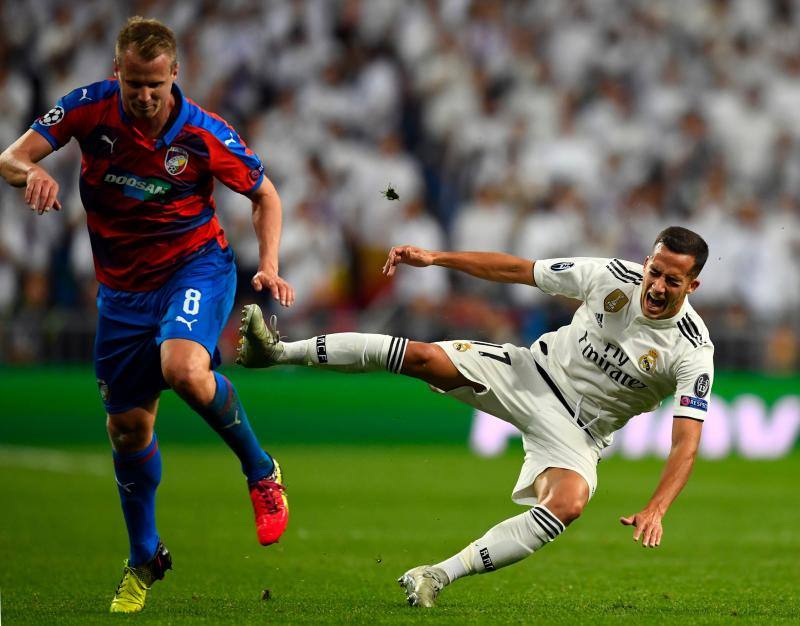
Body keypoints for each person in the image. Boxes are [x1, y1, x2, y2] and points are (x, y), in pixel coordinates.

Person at [236, 226, 713, 608]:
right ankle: (276, 352)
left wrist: (657, 508)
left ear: (691, 286)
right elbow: (518, 270)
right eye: (655, 271)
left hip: (580, 432)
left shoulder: (692, 350)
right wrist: (437, 258)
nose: (656, 286)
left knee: (567, 504)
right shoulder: (611, 276)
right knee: (422, 357)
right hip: (532, 372)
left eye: (672, 281)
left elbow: (685, 444)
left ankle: (436, 576)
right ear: (647, 262)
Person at [0, 17, 294, 613]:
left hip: (195, 269)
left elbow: (265, 193)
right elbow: (9, 157)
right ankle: (144, 558)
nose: (144, 95)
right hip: (121, 295)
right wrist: (31, 174)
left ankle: (262, 472)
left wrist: (268, 263)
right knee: (128, 431)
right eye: (134, 82)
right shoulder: (88, 109)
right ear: (118, 73)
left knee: (185, 368)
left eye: (154, 84)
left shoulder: (205, 133)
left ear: (175, 76)